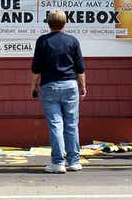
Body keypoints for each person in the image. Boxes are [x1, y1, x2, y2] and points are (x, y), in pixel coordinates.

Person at [31, 10, 86, 174]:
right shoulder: (72, 41)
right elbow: (80, 68)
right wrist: (83, 86)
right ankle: (74, 161)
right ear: (65, 23)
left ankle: (58, 163)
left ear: (48, 23)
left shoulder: (42, 41)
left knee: (56, 124)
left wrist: (33, 86)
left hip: (50, 86)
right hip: (70, 85)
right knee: (71, 124)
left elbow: (36, 68)